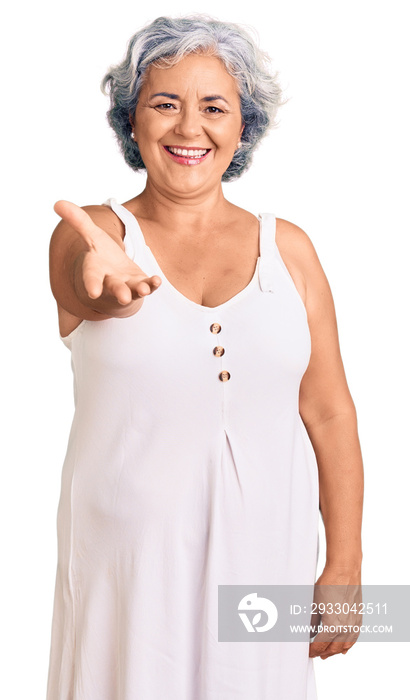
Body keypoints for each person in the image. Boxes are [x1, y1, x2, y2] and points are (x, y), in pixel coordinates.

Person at [46, 15, 364, 700]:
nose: (189, 128)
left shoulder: (293, 251)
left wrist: (344, 561)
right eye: (165, 104)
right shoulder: (95, 234)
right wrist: (99, 282)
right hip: (126, 578)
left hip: (262, 574)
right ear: (132, 122)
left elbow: (330, 412)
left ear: (242, 127)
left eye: (213, 107)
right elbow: (84, 285)